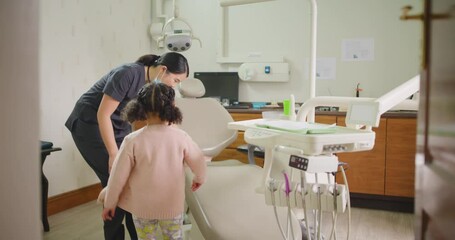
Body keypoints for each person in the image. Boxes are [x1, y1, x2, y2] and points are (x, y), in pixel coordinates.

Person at [65, 52, 189, 240]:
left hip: (118, 126)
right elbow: (103, 115)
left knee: (133, 180)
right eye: (176, 80)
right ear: (164, 70)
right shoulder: (128, 74)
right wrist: (114, 153)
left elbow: (162, 120)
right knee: (116, 180)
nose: (175, 85)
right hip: (89, 123)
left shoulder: (155, 86)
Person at [99, 82, 206, 240]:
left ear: (139, 108)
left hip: (141, 210)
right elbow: (199, 161)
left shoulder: (132, 140)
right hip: (172, 207)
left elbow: (117, 177)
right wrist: (199, 178)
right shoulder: (181, 137)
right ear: (173, 106)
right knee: (174, 237)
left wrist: (109, 203)